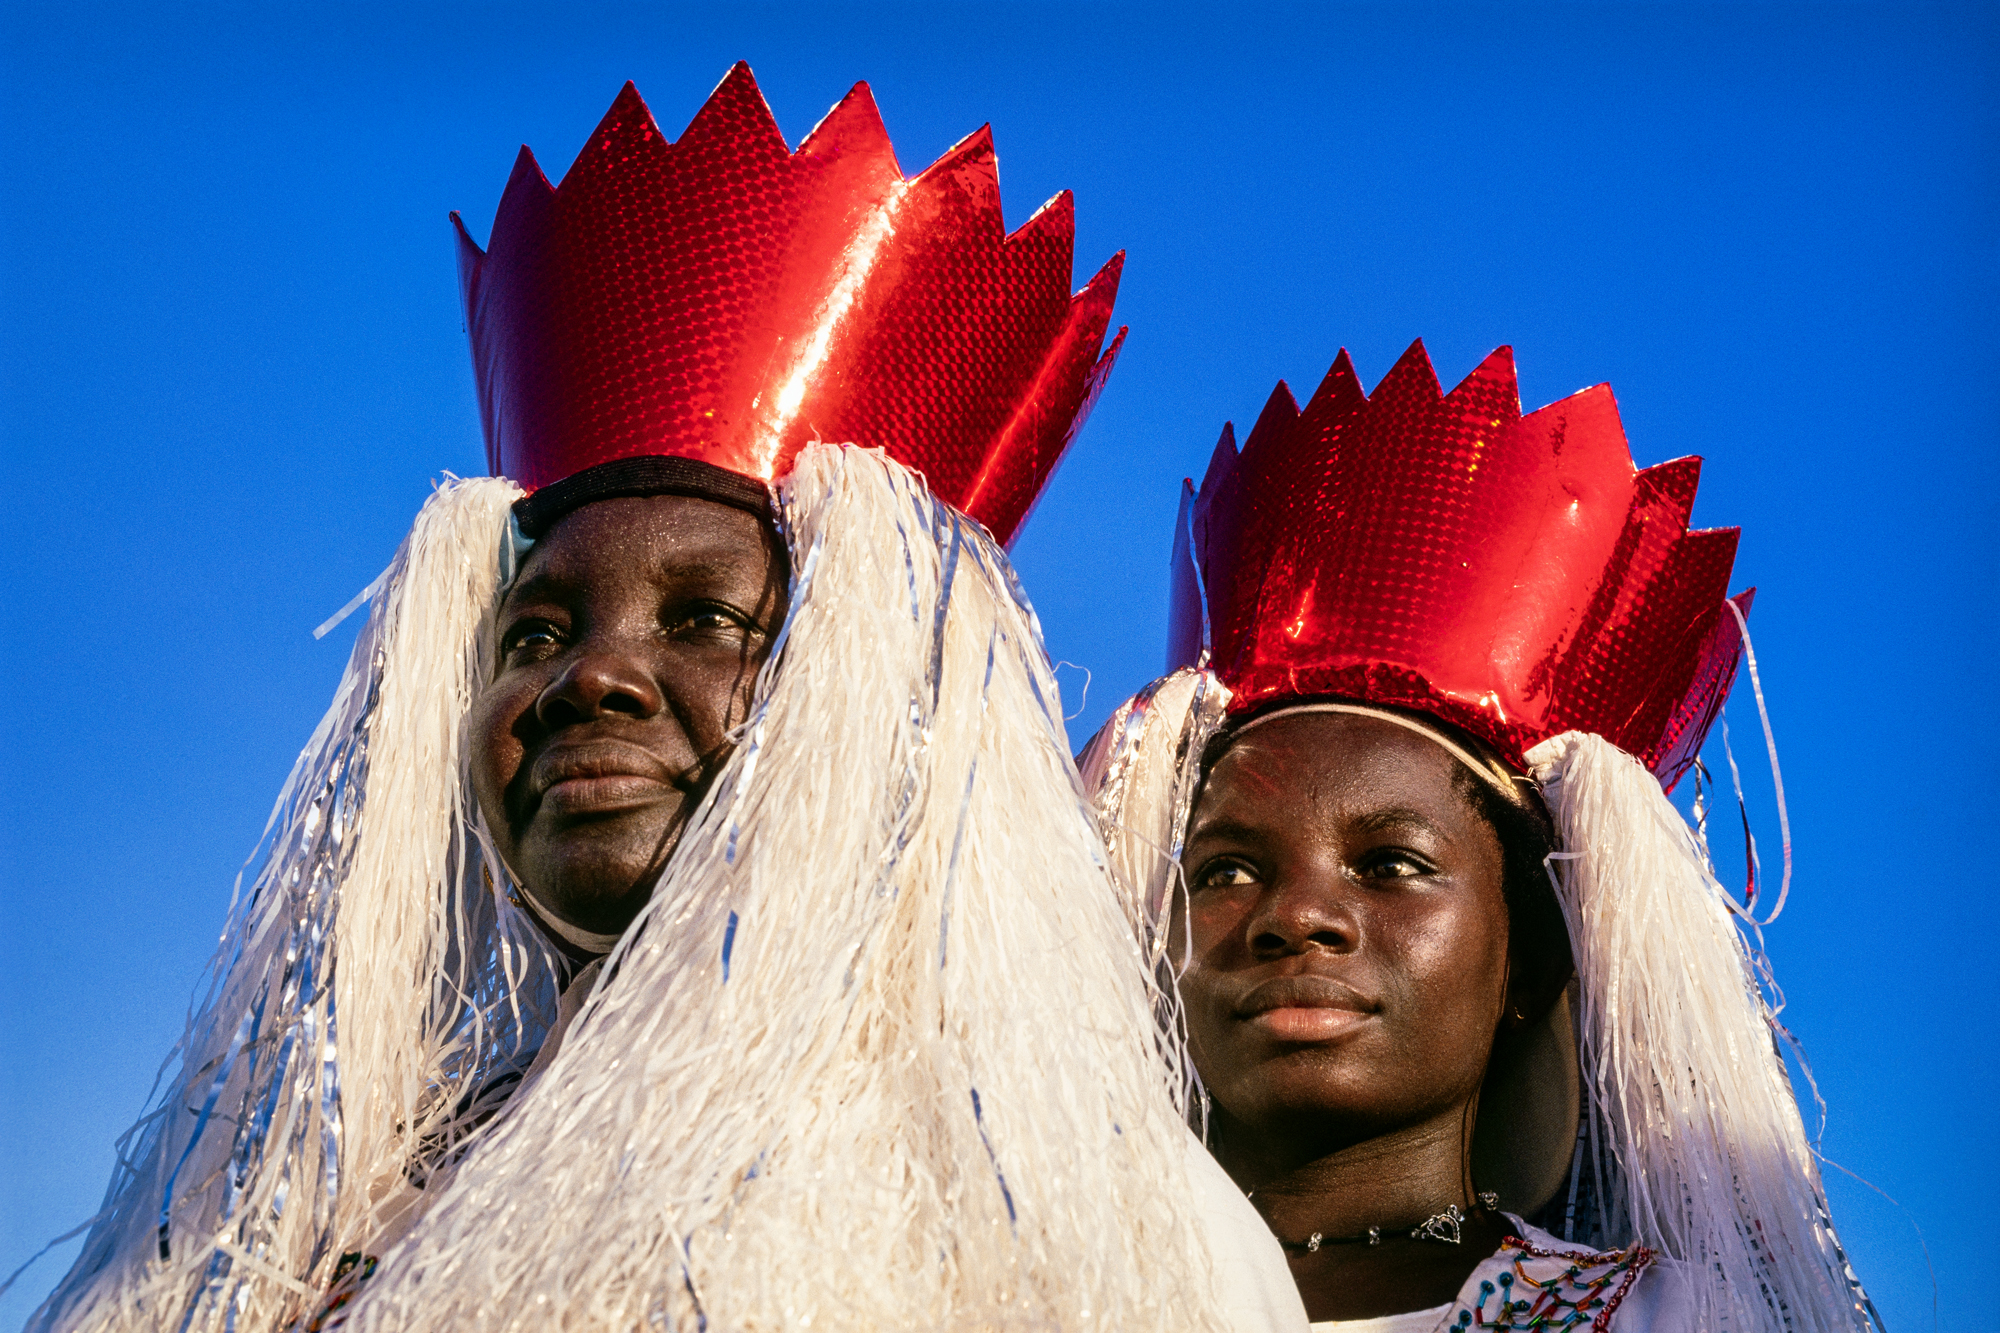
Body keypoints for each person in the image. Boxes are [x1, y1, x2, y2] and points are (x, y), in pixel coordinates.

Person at [32, 65, 1303, 1333]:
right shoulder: (326, 1214)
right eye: (533, 630)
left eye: (704, 621)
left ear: (875, 703)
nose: (587, 675)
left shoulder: (1104, 1222)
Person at [1082, 341, 1882, 1331]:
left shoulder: (1670, 1318)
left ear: (1529, 956)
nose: (1295, 915)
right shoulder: (1021, 1280)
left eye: (1390, 865)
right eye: (1226, 868)